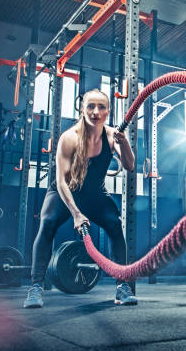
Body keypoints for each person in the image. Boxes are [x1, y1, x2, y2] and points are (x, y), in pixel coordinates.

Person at [23, 88, 137, 308]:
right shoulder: (69, 138)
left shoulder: (113, 136)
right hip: (65, 192)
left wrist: (124, 144)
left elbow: (130, 165)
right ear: (82, 109)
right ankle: (35, 288)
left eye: (101, 107)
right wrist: (76, 213)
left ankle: (122, 287)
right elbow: (62, 181)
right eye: (90, 106)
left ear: (108, 112)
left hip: (94, 193)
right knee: (47, 223)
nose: (95, 111)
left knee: (115, 225)